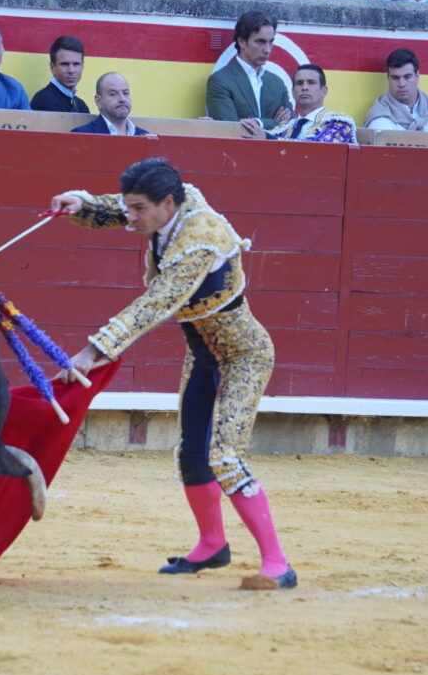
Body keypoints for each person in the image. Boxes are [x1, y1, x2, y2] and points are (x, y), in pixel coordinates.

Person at [50, 158, 297, 591]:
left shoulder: (200, 241)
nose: (131, 216)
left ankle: (277, 563)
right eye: (131, 207)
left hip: (242, 356)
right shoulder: (174, 205)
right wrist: (84, 205)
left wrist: (94, 352)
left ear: (167, 204)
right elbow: (119, 209)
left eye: (139, 209)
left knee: (225, 456)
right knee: (191, 455)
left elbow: (158, 303)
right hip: (203, 356)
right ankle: (212, 544)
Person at [206, 11, 292, 130]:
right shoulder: (220, 81)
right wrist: (276, 122)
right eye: (260, 42)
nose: (267, 50)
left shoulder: (277, 83)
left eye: (271, 42)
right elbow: (230, 129)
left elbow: (291, 126)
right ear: (242, 42)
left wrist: (257, 123)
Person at [240, 64, 356, 143]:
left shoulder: (339, 123)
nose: (304, 87)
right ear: (293, 92)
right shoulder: (284, 128)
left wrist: (268, 138)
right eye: (300, 83)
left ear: (324, 91)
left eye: (311, 83)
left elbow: (317, 149)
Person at [364, 48, 428, 133]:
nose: (401, 84)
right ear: (388, 78)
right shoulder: (379, 118)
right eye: (395, 78)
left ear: (417, 76)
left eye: (407, 77)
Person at [70, 72, 149, 136]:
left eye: (125, 93)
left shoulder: (143, 136)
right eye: (113, 94)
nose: (122, 99)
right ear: (98, 101)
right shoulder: (81, 135)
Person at [30, 36, 90, 113]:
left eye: (76, 64)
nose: (71, 70)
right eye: (64, 64)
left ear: (82, 66)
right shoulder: (44, 100)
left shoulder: (81, 105)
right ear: (52, 67)